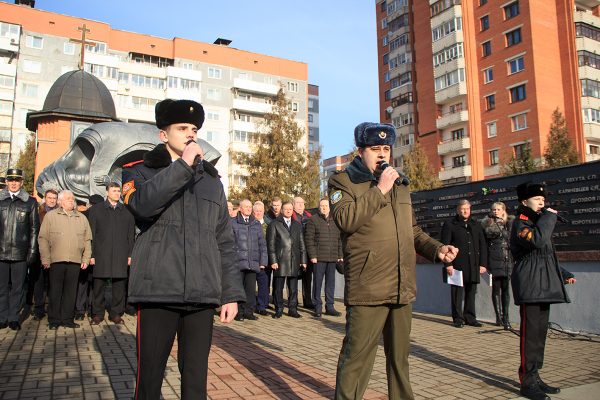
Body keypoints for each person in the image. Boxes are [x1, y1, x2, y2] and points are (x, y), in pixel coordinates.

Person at [122, 98, 244, 399]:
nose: (190, 134)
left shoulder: (212, 181)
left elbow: (224, 241)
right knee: (149, 380)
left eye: (194, 128)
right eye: (182, 128)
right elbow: (143, 206)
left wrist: (229, 294)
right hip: (157, 291)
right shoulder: (138, 171)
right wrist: (183, 166)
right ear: (163, 134)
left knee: (195, 382)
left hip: (202, 295)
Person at [328, 122, 457, 400]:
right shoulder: (342, 181)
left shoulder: (400, 184)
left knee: (400, 360)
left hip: (402, 285)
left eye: (386, 148)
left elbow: (412, 230)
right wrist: (379, 189)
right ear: (361, 151)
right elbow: (346, 220)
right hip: (368, 287)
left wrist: (437, 250)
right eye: (375, 149)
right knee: (357, 359)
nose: (382, 154)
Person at [510, 182, 576, 400]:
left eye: (543, 200)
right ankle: (527, 382)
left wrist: (563, 272)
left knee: (539, 336)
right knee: (530, 337)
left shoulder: (539, 222)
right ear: (524, 202)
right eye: (537, 199)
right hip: (530, 286)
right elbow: (536, 242)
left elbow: (546, 256)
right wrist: (549, 217)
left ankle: (536, 376)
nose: (542, 203)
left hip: (544, 284)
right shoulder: (521, 223)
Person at [38, 190, 92, 329]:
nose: (71, 201)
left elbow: (87, 240)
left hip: (75, 261)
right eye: (68, 199)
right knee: (55, 291)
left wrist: (86, 258)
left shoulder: (81, 218)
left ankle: (67, 319)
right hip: (56, 260)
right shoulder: (51, 216)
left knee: (70, 291)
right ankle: (54, 320)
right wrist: (45, 258)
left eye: (72, 199)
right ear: (60, 201)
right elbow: (43, 238)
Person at [88, 183, 135, 325]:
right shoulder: (96, 210)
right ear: (107, 192)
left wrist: (130, 254)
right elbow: (91, 234)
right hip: (101, 254)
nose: (116, 193)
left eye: (118, 191)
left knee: (119, 286)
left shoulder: (126, 211)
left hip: (120, 254)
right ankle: (97, 313)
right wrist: (91, 254)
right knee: (98, 286)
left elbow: (130, 235)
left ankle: (116, 313)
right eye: (113, 190)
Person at [0, 169, 40, 330]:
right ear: (7, 182)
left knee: (18, 288)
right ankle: (2, 317)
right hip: (1, 252)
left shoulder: (30, 202)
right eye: (11, 180)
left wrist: (32, 251)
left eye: (17, 180)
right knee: (1, 288)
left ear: (22, 182)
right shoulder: (0, 201)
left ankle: (13, 318)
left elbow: (34, 229)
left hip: (20, 252)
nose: (14, 183)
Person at [442, 199, 487, 328]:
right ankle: (458, 318)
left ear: (470, 209)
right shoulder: (450, 224)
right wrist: (448, 264)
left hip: (473, 265)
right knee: (456, 293)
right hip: (456, 265)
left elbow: (482, 245)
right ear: (458, 210)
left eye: (467, 209)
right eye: (462, 209)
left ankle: (470, 317)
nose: (464, 211)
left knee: (471, 292)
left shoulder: (476, 225)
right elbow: (445, 246)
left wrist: (483, 264)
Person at [266, 201, 307, 319]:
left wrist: (303, 260)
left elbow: (302, 243)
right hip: (280, 260)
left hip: (294, 260)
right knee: (278, 287)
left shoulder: (297, 225)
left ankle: (292, 309)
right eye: (286, 209)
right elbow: (271, 244)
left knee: (293, 287)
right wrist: (273, 260)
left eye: (290, 209)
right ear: (282, 210)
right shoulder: (274, 224)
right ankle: (279, 309)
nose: (288, 211)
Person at [305, 197, 343, 318]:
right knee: (317, 283)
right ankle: (317, 307)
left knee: (330, 284)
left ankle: (330, 307)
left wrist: (340, 255)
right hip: (319, 258)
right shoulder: (313, 220)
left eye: (326, 206)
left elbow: (339, 240)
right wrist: (313, 255)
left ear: (329, 207)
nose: (323, 208)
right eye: (321, 206)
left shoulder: (335, 220)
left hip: (332, 258)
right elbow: (309, 239)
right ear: (319, 207)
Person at [231, 199, 268, 321]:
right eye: (246, 207)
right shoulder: (233, 223)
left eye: (250, 207)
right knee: (239, 288)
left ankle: (249, 311)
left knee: (250, 289)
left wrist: (263, 262)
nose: (248, 209)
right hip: (238, 262)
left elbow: (262, 244)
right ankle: (239, 312)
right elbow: (230, 243)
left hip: (252, 262)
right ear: (240, 208)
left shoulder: (256, 224)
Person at [481, 202, 514, 330]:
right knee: (496, 289)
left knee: (506, 290)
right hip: (494, 259)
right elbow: (484, 244)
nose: (495, 211)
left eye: (498, 209)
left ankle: (506, 318)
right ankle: (498, 318)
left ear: (503, 210)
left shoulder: (509, 223)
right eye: (493, 209)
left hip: (507, 259)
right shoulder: (488, 224)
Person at [27, 188, 57, 321]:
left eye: (54, 198)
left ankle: (51, 308)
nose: (51, 200)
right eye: (49, 198)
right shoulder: (38, 212)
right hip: (39, 252)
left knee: (52, 282)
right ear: (45, 198)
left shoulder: (59, 213)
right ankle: (38, 308)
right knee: (38, 282)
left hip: (55, 253)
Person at [75, 194, 104, 320]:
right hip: (98, 254)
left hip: (84, 253)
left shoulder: (83, 215)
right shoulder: (104, 215)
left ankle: (80, 310)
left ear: (89, 204)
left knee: (83, 282)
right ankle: (93, 309)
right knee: (95, 283)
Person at [292, 196, 314, 309]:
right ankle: (293, 300)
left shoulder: (310, 217)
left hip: (308, 250)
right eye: (297, 203)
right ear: (293, 204)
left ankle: (308, 300)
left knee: (307, 277)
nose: (300, 205)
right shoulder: (291, 217)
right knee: (294, 277)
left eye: (302, 203)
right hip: (295, 251)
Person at [252, 200, 270, 315]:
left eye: (260, 211)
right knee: (250, 284)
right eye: (256, 211)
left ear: (264, 212)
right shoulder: (250, 224)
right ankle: (251, 305)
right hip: (252, 259)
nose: (258, 213)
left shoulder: (268, 225)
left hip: (264, 259)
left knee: (264, 284)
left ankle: (262, 306)